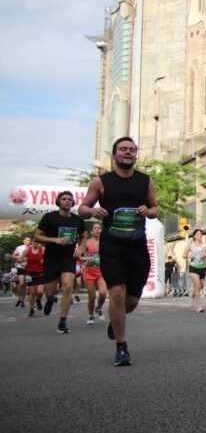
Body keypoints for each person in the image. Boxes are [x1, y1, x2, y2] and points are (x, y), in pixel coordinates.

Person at [79, 137, 159, 367]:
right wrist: (93, 211)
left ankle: (116, 320)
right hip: (112, 246)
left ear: (136, 155)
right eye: (123, 149)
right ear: (114, 155)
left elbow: (155, 208)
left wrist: (149, 211)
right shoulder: (101, 182)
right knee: (116, 294)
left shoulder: (145, 181)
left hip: (137, 246)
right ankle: (121, 348)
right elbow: (83, 208)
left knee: (131, 301)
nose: (128, 153)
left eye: (132, 150)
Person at [34, 191, 86, 334]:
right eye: (64, 199)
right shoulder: (49, 217)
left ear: (73, 202)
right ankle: (50, 300)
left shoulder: (78, 220)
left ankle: (62, 322)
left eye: (70, 199)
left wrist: (80, 249)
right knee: (50, 292)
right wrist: (54, 240)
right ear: (58, 201)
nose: (67, 201)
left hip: (68, 258)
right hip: (51, 259)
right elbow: (37, 236)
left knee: (68, 285)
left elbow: (83, 238)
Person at [81, 223, 107, 325]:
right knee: (91, 297)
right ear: (91, 231)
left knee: (103, 293)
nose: (97, 230)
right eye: (95, 228)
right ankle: (91, 315)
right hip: (89, 272)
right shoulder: (87, 243)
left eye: (99, 228)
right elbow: (78, 256)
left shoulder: (105, 243)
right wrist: (88, 258)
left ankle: (99, 308)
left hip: (101, 272)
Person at [184, 229, 206, 313]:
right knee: (198, 285)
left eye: (201, 234)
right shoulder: (191, 245)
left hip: (202, 267)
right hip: (193, 267)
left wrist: (205, 255)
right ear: (194, 236)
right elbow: (184, 255)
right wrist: (190, 256)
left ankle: (193, 295)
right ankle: (198, 306)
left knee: (201, 286)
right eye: (198, 234)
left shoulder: (205, 245)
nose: (200, 235)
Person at [23, 239, 45, 316]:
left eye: (37, 242)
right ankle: (32, 308)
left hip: (40, 273)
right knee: (31, 292)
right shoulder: (27, 250)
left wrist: (44, 260)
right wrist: (23, 261)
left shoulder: (42, 250)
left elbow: (49, 259)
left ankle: (38, 300)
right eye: (34, 242)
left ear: (40, 243)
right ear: (32, 243)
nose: (36, 244)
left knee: (40, 292)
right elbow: (19, 258)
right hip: (30, 273)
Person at [12, 237, 31, 309]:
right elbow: (13, 255)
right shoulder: (19, 247)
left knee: (26, 285)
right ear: (23, 241)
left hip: (29, 268)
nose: (28, 241)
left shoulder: (31, 248)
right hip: (21, 267)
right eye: (27, 240)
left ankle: (22, 300)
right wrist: (19, 257)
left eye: (29, 240)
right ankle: (20, 298)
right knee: (21, 283)